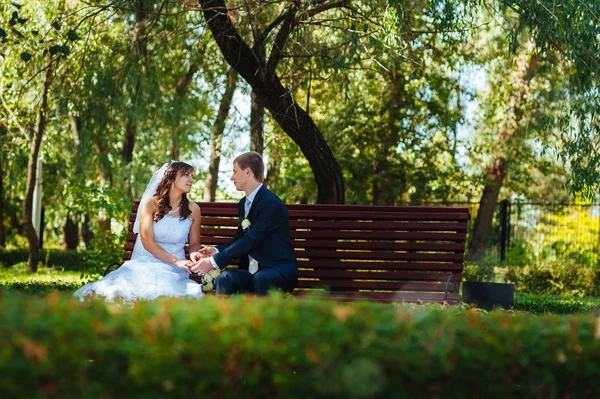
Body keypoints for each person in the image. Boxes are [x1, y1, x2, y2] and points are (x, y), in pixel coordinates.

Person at [74, 161, 204, 302]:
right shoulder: (150, 204)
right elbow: (147, 242)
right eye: (186, 175)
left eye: (192, 176)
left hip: (175, 269)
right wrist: (177, 261)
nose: (191, 180)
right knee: (123, 290)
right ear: (171, 178)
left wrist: (195, 254)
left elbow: (195, 244)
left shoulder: (194, 210)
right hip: (149, 261)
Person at [190, 151, 298, 296]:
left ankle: (262, 319)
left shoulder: (271, 204)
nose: (231, 177)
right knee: (225, 278)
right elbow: (240, 240)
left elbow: (251, 240)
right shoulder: (243, 204)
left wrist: (212, 262)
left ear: (247, 172)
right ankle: (225, 317)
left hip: (277, 270)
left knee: (262, 278)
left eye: (235, 172)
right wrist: (216, 251)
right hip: (252, 273)